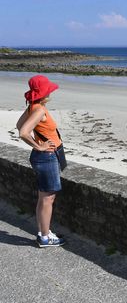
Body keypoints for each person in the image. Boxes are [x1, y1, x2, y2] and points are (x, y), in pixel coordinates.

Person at [16, 75, 66, 248]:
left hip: (45, 158)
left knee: (43, 198)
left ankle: (43, 231)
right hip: (47, 157)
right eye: (49, 90)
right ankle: (45, 237)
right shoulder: (39, 110)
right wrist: (40, 146)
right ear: (44, 93)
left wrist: (39, 145)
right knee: (48, 199)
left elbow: (19, 124)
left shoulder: (33, 107)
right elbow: (23, 131)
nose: (51, 92)